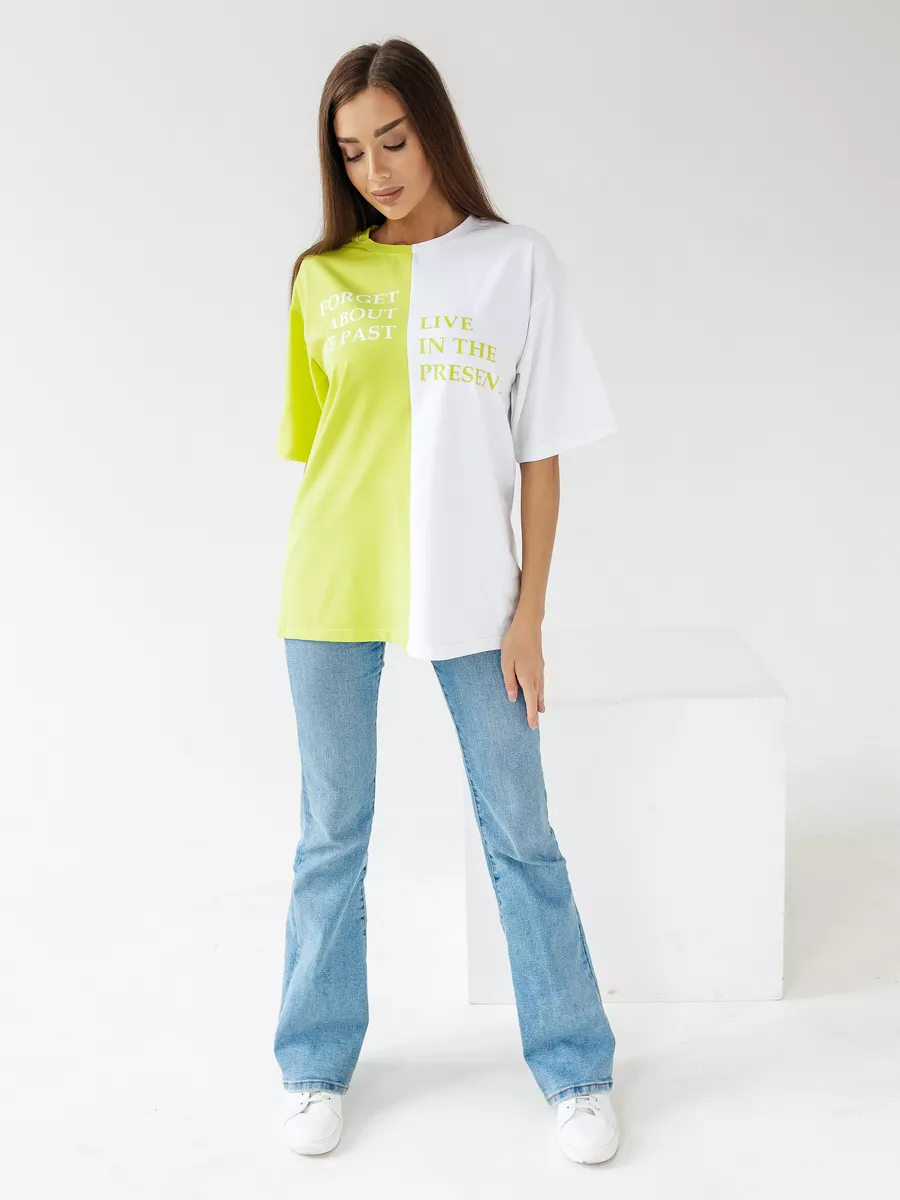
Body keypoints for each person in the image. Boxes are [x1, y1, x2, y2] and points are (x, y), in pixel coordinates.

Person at [273, 37, 620, 1165]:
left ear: (432, 131)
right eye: (351, 151)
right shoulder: (320, 279)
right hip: (332, 585)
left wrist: (531, 613)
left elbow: (540, 452)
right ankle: (313, 1064)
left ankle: (576, 1069)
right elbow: (324, 449)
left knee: (521, 831)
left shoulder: (515, 263)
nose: (376, 170)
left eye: (393, 140)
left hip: (475, 592)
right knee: (333, 835)